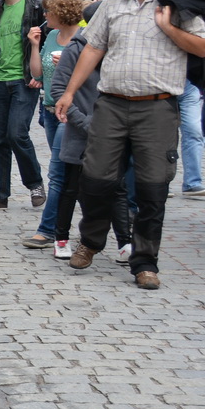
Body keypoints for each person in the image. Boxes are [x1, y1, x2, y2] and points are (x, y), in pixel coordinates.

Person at [54, 0, 205, 289]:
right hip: (111, 102)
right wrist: (69, 91)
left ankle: (144, 261)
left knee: (152, 188)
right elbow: (93, 47)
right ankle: (92, 240)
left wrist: (168, 27)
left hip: (157, 108)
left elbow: (202, 47)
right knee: (95, 180)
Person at [51, 17, 134, 260]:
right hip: (81, 128)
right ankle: (61, 238)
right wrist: (85, 122)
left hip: (114, 130)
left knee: (117, 187)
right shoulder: (77, 48)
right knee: (71, 185)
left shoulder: (122, 48)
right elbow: (59, 89)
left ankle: (124, 242)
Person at [21, 0, 85, 251]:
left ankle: (48, 229)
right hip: (49, 109)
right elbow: (37, 73)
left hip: (70, 113)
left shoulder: (84, 39)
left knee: (57, 173)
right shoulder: (51, 37)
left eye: (48, 10)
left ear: (61, 11)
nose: (45, 15)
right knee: (66, 173)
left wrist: (68, 65)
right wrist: (35, 45)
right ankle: (69, 223)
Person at [0, 0, 48, 209]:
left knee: (17, 133)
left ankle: (34, 183)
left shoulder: (35, 7)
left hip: (24, 80)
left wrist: (39, 73)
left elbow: (46, 41)